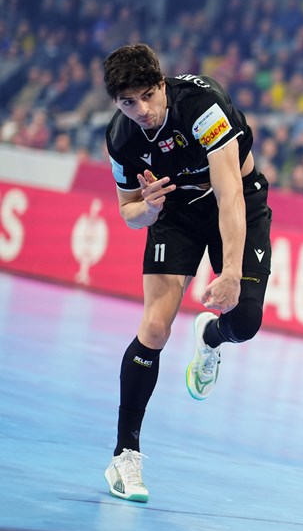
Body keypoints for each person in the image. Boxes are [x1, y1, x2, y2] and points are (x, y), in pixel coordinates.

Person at [101, 43, 273, 503]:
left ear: (161, 85)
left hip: (236, 200)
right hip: (174, 212)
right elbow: (128, 212)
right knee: (155, 327)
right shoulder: (121, 137)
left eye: (147, 96)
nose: (141, 110)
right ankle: (124, 455)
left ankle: (211, 337)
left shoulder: (202, 106)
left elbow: (229, 192)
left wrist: (231, 271)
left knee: (245, 322)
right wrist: (148, 209)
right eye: (127, 102)